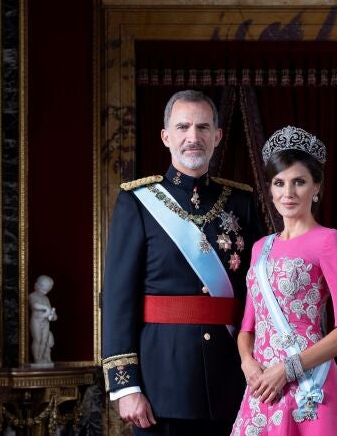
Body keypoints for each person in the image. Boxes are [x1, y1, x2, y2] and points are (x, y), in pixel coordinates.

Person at [102, 89, 264, 436]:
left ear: (217, 136)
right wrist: (126, 388)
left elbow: (258, 293)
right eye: (183, 127)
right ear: (166, 136)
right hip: (162, 385)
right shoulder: (138, 202)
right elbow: (117, 300)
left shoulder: (241, 202)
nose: (193, 137)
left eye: (203, 127)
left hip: (231, 378)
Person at [231, 126, 337, 435]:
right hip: (264, 387)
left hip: (309, 384)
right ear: (270, 189)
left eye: (299, 182)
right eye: (279, 183)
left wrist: (287, 369)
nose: (288, 193)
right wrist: (247, 364)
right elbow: (247, 328)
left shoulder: (328, 241)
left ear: (316, 187)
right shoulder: (259, 248)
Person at [29, 274, 57, 365]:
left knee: (44, 340)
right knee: (37, 339)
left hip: (45, 322)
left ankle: (41, 358)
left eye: (47, 290)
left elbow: (50, 312)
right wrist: (46, 308)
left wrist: (53, 316)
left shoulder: (46, 298)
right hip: (36, 321)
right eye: (43, 289)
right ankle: (37, 358)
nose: (45, 292)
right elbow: (34, 305)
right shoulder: (32, 295)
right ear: (36, 285)